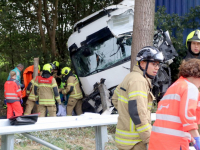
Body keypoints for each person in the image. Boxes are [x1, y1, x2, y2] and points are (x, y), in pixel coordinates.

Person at [114, 46, 164, 150]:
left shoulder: (131, 76)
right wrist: (150, 139)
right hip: (135, 142)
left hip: (126, 141)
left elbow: (115, 99)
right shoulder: (139, 81)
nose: (157, 67)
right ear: (142, 63)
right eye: (153, 64)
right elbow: (138, 113)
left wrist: (125, 115)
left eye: (158, 64)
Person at [148, 58, 200, 150]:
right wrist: (197, 139)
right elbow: (187, 116)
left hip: (157, 141)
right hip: (174, 143)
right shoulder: (190, 88)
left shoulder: (175, 86)